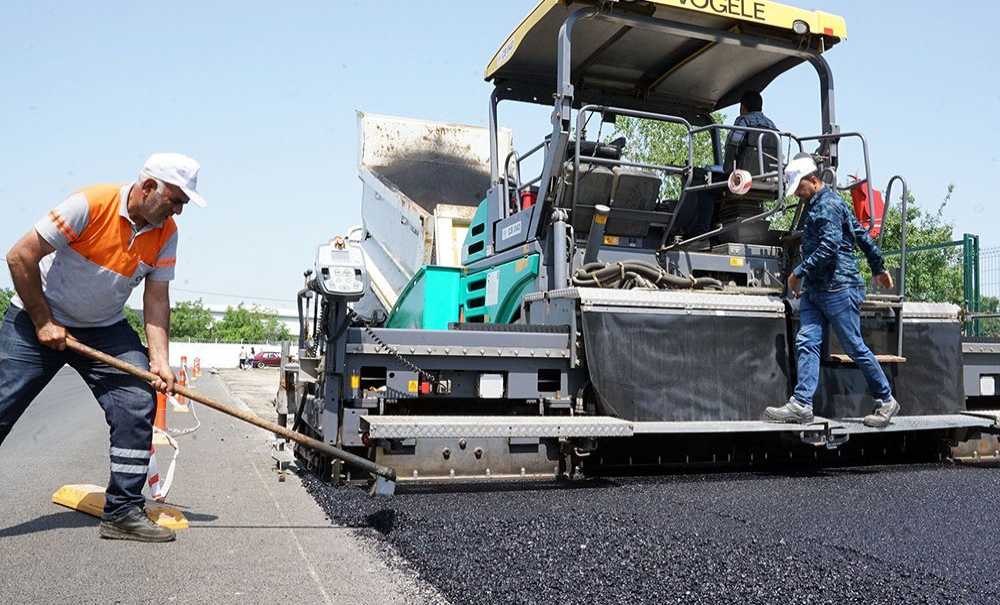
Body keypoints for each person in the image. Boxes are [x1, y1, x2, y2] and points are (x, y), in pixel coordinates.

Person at [1, 153, 207, 542]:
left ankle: (123, 511)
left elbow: (157, 299)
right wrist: (44, 321)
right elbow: (19, 256)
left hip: (102, 328)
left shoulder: (166, 233)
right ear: (149, 187)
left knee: (136, 399)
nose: (179, 210)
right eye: (175, 200)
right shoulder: (89, 204)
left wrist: (159, 361)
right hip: (35, 319)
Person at [765, 153, 899, 428]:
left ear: (812, 180)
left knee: (853, 345)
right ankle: (802, 404)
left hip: (838, 287)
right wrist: (877, 267)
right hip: (817, 288)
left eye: (799, 188)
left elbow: (829, 247)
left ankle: (886, 400)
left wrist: (797, 274)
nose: (797, 195)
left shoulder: (827, 205)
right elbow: (860, 234)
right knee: (807, 341)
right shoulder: (821, 204)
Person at [723, 91, 778, 173]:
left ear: (743, 107)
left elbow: (732, 144)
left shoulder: (743, 120)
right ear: (760, 107)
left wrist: (727, 169)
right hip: (768, 175)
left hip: (744, 175)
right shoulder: (771, 125)